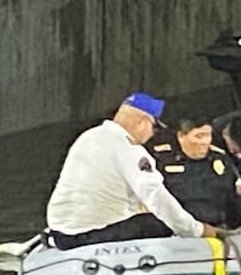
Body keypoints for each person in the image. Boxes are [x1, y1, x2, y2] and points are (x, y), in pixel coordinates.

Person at [45, 93, 218, 250]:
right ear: (141, 122)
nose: (153, 134)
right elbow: (156, 196)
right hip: (88, 235)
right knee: (158, 222)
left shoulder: (89, 136)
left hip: (61, 233)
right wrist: (198, 230)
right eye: (154, 127)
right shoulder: (129, 149)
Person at [149, 116, 241, 228]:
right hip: (181, 230)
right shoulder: (162, 161)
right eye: (199, 136)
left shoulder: (220, 159)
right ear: (181, 136)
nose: (205, 142)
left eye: (207, 135)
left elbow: (232, 199)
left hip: (220, 228)